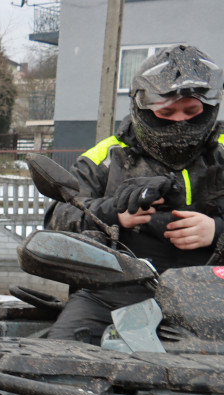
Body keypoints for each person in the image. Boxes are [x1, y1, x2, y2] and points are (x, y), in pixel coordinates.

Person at [45, 44, 224, 343]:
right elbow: (57, 219)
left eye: (192, 111)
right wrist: (113, 213)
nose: (180, 121)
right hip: (113, 294)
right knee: (51, 364)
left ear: (209, 108)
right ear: (143, 107)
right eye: (167, 112)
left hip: (213, 298)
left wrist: (217, 230)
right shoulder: (104, 157)